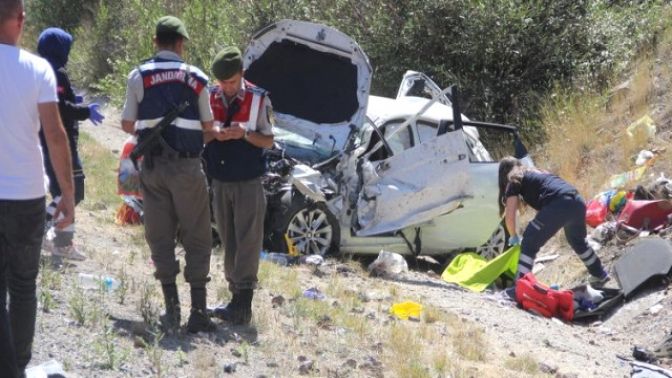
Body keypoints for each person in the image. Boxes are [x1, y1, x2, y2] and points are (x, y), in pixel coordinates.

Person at [120, 16, 216, 333]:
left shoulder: (139, 75)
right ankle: (198, 313)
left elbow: (126, 125)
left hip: (153, 169)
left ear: (154, 41)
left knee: (159, 236)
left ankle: (171, 311)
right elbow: (208, 128)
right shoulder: (198, 78)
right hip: (188, 168)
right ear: (180, 43)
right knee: (197, 237)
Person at [0, 0, 76, 375]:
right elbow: (56, 135)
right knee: (24, 284)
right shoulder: (37, 68)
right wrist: (68, 193)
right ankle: (18, 367)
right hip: (27, 194)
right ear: (20, 20)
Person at [206, 46, 274, 325]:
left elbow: (268, 141)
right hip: (220, 180)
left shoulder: (260, 99)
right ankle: (234, 300)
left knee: (247, 242)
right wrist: (214, 134)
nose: (227, 88)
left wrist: (244, 134)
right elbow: (200, 134)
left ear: (242, 75)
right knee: (228, 240)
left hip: (248, 180)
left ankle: (243, 305)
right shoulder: (209, 96)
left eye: (231, 82)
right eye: (222, 82)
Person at [37, 27, 105, 261]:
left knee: (60, 192)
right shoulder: (55, 72)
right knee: (73, 189)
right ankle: (43, 227)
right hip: (59, 142)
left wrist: (73, 100)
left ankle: (62, 242)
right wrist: (85, 111)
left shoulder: (41, 70)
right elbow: (61, 109)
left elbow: (58, 100)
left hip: (45, 141)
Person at [498, 156, 610, 285]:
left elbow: (510, 216)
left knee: (529, 241)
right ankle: (600, 274)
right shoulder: (536, 171)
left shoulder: (513, 179)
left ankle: (520, 285)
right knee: (577, 241)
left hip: (559, 203)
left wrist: (513, 236)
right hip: (577, 200)